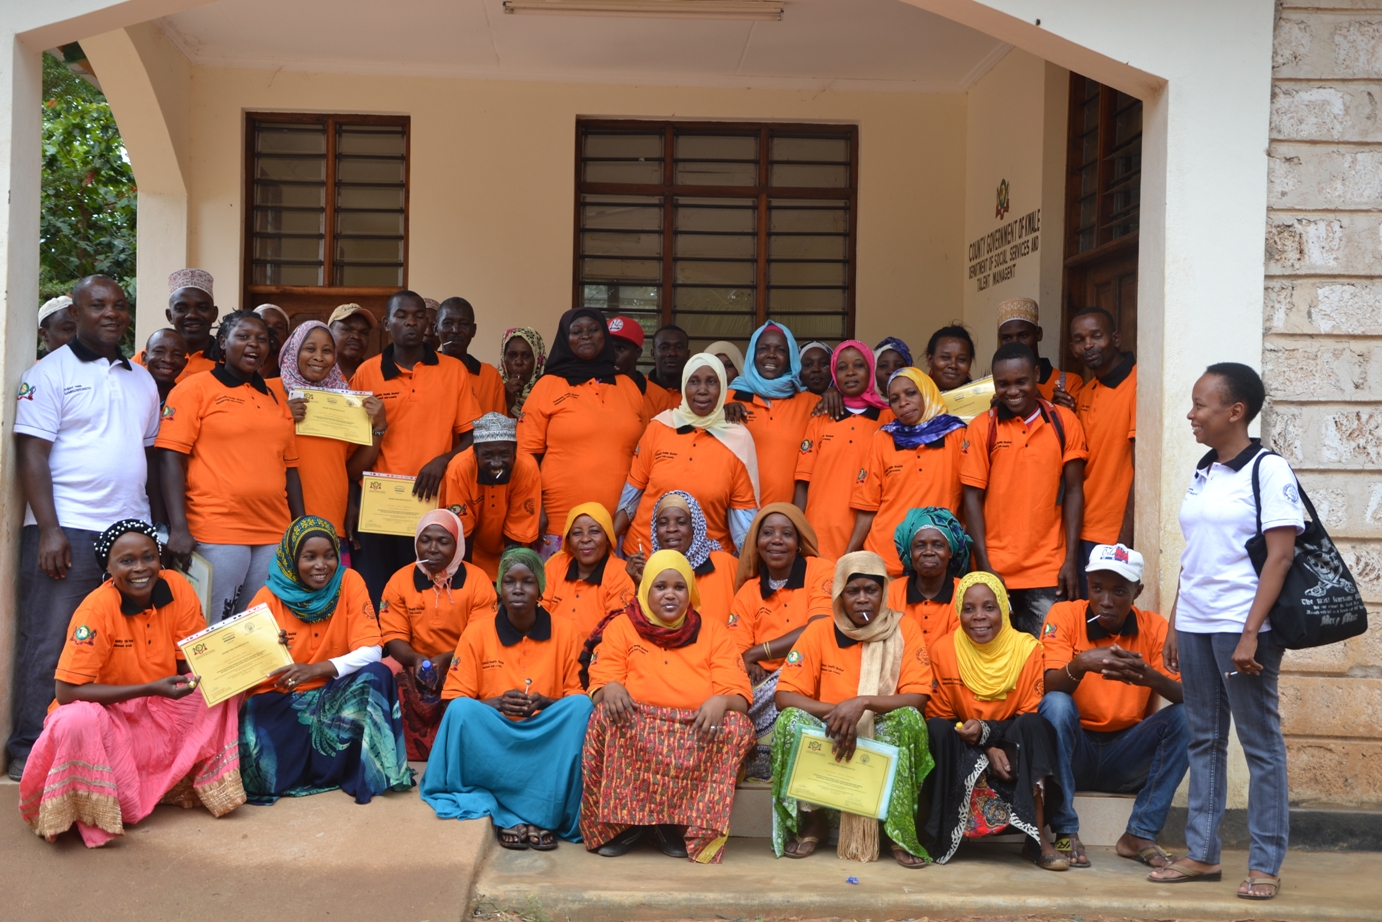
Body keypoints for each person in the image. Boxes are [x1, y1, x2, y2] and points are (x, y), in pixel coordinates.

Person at [1148, 363, 1302, 901]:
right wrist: (1176, 619)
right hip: (1196, 621)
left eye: (1200, 404)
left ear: (1235, 411)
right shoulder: (1205, 469)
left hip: (1242, 625)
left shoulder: (1269, 470)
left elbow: (1280, 557)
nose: (1191, 414)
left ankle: (1265, 864)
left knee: (1260, 745)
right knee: (1204, 739)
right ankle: (1202, 854)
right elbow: (1195, 554)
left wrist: (1251, 632)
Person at [9, 276, 161, 780]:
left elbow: (146, 456)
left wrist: (154, 530)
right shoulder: (47, 373)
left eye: (119, 305)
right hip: (68, 529)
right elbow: (32, 454)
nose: (111, 313)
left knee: (118, 641)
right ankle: (30, 748)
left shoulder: (142, 379)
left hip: (130, 534)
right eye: (98, 305)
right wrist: (48, 529)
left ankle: (102, 747)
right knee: (50, 639)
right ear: (75, 313)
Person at [17, 521, 246, 847]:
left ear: (160, 559)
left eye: (148, 557)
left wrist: (260, 647)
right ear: (108, 569)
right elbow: (66, 693)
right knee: (75, 719)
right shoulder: (96, 609)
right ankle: (90, 809)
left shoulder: (177, 587)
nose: (140, 568)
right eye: (126, 561)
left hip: (159, 705)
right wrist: (149, 689)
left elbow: (189, 662)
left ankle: (182, 785)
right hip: (108, 716)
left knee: (221, 689)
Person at [582, 550, 754, 862]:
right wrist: (611, 687)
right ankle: (622, 828)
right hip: (638, 724)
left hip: (694, 727)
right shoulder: (622, 626)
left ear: (691, 592)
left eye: (679, 587)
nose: (670, 595)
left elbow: (739, 696)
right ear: (645, 590)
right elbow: (598, 684)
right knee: (603, 715)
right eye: (660, 587)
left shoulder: (713, 630)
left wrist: (721, 700)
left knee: (737, 726)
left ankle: (677, 827)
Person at [772, 551, 935, 867]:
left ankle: (896, 831)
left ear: (883, 592)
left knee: (910, 720)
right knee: (789, 721)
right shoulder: (820, 630)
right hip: (830, 730)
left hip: (880, 727)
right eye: (853, 591)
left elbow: (917, 697)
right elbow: (785, 697)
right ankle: (814, 822)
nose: (862, 599)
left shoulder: (905, 629)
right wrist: (840, 714)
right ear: (839, 594)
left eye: (871, 590)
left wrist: (862, 704)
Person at [424, 547, 591, 849]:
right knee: (461, 709)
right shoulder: (477, 632)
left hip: (545, 739)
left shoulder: (567, 631)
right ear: (499, 587)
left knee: (582, 707)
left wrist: (544, 703)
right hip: (496, 738)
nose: (518, 589)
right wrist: (497, 704)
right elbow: (453, 701)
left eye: (528, 581)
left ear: (541, 588)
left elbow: (574, 699)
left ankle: (542, 814)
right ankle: (511, 814)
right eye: (509, 581)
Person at [240, 517, 413, 804]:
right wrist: (269, 649)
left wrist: (316, 669)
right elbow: (244, 662)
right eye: (309, 557)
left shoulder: (349, 582)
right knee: (257, 748)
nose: (321, 565)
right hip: (283, 699)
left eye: (329, 555)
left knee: (377, 674)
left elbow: (372, 650)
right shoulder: (267, 597)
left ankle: (364, 773)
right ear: (291, 558)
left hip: (335, 693)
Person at [1040, 543, 1188, 870]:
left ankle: (1140, 833)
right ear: (1088, 585)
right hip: (1074, 752)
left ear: (1138, 592)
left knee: (1188, 717)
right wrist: (1080, 664)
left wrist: (1150, 677)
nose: (1106, 601)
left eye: (1119, 591)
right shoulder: (1064, 615)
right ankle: (1065, 829)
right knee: (1057, 704)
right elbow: (1047, 688)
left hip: (1125, 755)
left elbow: (1187, 696)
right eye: (1097, 588)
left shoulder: (1154, 627)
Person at [158, 310, 304, 623]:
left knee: (255, 627)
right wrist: (178, 527)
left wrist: (300, 527)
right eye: (243, 336)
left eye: (261, 339)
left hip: (273, 532)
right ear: (223, 342)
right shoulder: (194, 389)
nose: (254, 344)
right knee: (209, 626)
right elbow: (170, 457)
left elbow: (290, 468)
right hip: (217, 529)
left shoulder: (274, 398)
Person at [923, 572, 1067, 870]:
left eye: (989, 607)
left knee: (1034, 726)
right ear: (958, 612)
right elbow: (941, 716)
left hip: (1012, 744)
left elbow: (1026, 714)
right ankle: (938, 834)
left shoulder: (1027, 650)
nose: (979, 617)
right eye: (969, 608)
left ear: (1004, 608)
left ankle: (1038, 838)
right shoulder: (943, 650)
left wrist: (989, 733)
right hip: (965, 743)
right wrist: (986, 746)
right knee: (935, 729)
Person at [349, 290, 480, 604]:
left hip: (430, 504)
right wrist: (352, 503)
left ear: (428, 324)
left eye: (418, 316)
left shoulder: (453, 371)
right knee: (376, 592)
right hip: (378, 506)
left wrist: (443, 460)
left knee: (424, 595)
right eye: (402, 315)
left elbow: (472, 436)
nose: (411, 322)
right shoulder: (367, 372)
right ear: (386, 323)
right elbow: (351, 448)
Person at [962, 343, 1087, 635]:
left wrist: (1070, 560)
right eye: (1003, 384)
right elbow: (971, 499)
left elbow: (1074, 491)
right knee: (995, 656)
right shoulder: (982, 427)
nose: (1013, 391)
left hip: (1048, 569)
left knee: (1048, 652)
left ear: (1037, 374)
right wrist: (984, 565)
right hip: (996, 568)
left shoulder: (1064, 421)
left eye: (1021, 381)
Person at [518, 308, 647, 555]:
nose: (586, 336)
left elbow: (645, 456)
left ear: (604, 335)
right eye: (577, 331)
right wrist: (536, 509)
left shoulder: (629, 388)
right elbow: (526, 457)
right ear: (565, 338)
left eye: (593, 329)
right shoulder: (547, 386)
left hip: (619, 525)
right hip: (559, 523)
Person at [380, 509, 497, 760]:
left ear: (458, 544)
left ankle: (467, 752)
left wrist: (445, 661)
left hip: (464, 662)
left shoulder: (478, 581)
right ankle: (395, 751)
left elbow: (481, 638)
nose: (432, 549)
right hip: (412, 662)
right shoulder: (399, 580)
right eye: (425, 540)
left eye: (443, 541)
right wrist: (415, 659)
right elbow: (393, 636)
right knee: (381, 671)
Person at [615, 353, 759, 556]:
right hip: (645, 555)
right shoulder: (659, 427)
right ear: (684, 385)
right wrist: (608, 540)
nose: (702, 390)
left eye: (711, 382)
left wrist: (751, 564)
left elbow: (743, 520)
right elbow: (631, 496)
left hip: (707, 562)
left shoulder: (738, 440)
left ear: (723, 388)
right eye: (694, 381)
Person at [730, 503, 834, 778]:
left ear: (799, 542)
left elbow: (818, 627)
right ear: (756, 542)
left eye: (787, 533)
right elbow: (738, 652)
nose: (776, 540)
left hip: (815, 673)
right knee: (730, 698)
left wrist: (757, 653)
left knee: (786, 686)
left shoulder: (821, 571)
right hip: (764, 682)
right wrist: (750, 660)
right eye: (767, 533)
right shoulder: (748, 591)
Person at [848, 367, 967, 577]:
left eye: (911, 393)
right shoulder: (882, 439)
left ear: (927, 392)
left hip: (936, 559)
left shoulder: (957, 435)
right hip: (884, 560)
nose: (903, 402)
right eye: (894, 399)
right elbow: (868, 505)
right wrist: (848, 555)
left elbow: (971, 498)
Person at [276, 320, 385, 542]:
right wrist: (281, 416)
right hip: (278, 522)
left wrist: (379, 428)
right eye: (310, 349)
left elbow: (352, 470)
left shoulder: (346, 401)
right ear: (293, 350)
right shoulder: (268, 391)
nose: (319, 357)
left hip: (331, 520)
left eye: (327, 351)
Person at [794, 341, 893, 558]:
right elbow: (803, 481)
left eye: (858, 365)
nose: (850, 372)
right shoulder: (821, 416)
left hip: (870, 534)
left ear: (871, 369)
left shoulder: (889, 419)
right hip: (819, 532)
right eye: (842, 367)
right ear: (834, 374)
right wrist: (797, 530)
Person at [1070, 307, 1138, 591]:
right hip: (1082, 529)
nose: (1088, 345)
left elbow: (1141, 471)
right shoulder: (1086, 392)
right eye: (1079, 339)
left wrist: (1125, 539)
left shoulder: (1138, 384)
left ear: (1116, 338)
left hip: (1115, 534)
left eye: (1096, 336)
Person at [724, 322, 820, 506]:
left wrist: (835, 394)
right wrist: (720, 413)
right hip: (737, 514)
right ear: (753, 354)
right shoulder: (729, 399)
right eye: (763, 348)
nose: (771, 354)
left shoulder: (811, 403)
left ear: (791, 357)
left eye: (780, 350)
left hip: (786, 516)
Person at [439, 412, 542, 579]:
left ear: (515, 450)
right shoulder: (459, 469)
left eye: (504, 454)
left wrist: (508, 579)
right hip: (471, 553)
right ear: (475, 452)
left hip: (512, 552)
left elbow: (517, 530)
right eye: (487, 455)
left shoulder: (527, 468)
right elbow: (463, 529)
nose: (496, 463)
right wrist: (469, 579)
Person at [624, 490, 740, 626]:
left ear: (694, 527)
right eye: (663, 523)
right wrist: (640, 586)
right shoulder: (647, 571)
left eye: (681, 522)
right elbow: (639, 629)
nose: (671, 528)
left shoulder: (727, 565)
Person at [543, 503, 636, 640]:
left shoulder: (621, 572)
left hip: (599, 650)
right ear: (568, 541)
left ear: (608, 538)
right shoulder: (556, 565)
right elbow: (539, 614)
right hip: (552, 647)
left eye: (594, 531)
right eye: (577, 533)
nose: (585, 539)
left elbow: (614, 626)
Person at [888, 507, 968, 653]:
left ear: (950, 552)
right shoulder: (891, 593)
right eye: (920, 546)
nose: (929, 552)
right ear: (910, 552)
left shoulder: (966, 592)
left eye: (938, 545)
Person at [996, 297, 1080, 408]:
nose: (1015, 344)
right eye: (1007, 338)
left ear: (1038, 334)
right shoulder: (995, 387)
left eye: (1023, 335)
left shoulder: (1070, 383)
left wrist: (1043, 403)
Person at [438, 297, 507, 416]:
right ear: (436, 329)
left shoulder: (490, 376)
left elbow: (498, 424)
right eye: (448, 323)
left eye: (464, 324)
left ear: (473, 330)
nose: (456, 330)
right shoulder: (425, 370)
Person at [151, 269, 219, 381]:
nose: (192, 315)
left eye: (202, 308)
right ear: (169, 316)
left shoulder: (228, 362)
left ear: (214, 314)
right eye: (181, 309)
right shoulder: (150, 358)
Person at [608, 315, 676, 418]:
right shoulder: (591, 389)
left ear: (638, 353)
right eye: (607, 348)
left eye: (620, 348)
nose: (612, 354)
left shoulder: (659, 398)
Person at [500, 326, 546, 418]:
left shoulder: (550, 392)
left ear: (538, 361)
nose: (519, 362)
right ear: (503, 359)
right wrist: (504, 400)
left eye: (526, 355)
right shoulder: (493, 390)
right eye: (512, 355)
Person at [328, 303, 376, 382]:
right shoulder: (317, 373)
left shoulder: (376, 375)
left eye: (364, 332)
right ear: (330, 333)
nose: (356, 336)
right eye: (347, 330)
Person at [143, 328, 189, 405]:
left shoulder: (188, 400)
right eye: (159, 351)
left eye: (177, 354)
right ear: (144, 357)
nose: (168, 360)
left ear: (185, 363)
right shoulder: (128, 394)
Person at [924, 325, 976, 393]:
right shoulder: (916, 396)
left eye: (961, 359)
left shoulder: (982, 397)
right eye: (945, 357)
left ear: (970, 363)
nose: (953, 365)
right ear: (930, 360)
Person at [648, 324, 691, 402]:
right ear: (653, 354)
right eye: (664, 347)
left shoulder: (697, 391)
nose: (672, 353)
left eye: (679, 347)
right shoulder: (640, 388)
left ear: (687, 354)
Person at [254, 303, 291, 378]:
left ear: (287, 337)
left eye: (278, 327)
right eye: (263, 324)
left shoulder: (291, 377)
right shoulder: (236, 373)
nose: (270, 331)